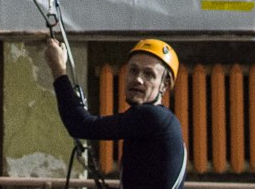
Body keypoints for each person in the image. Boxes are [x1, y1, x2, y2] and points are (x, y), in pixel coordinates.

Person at [44, 37, 186, 189]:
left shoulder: (154, 118)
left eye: (149, 74)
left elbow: (80, 124)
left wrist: (58, 68)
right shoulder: (159, 122)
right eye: (133, 70)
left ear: (165, 85)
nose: (138, 79)